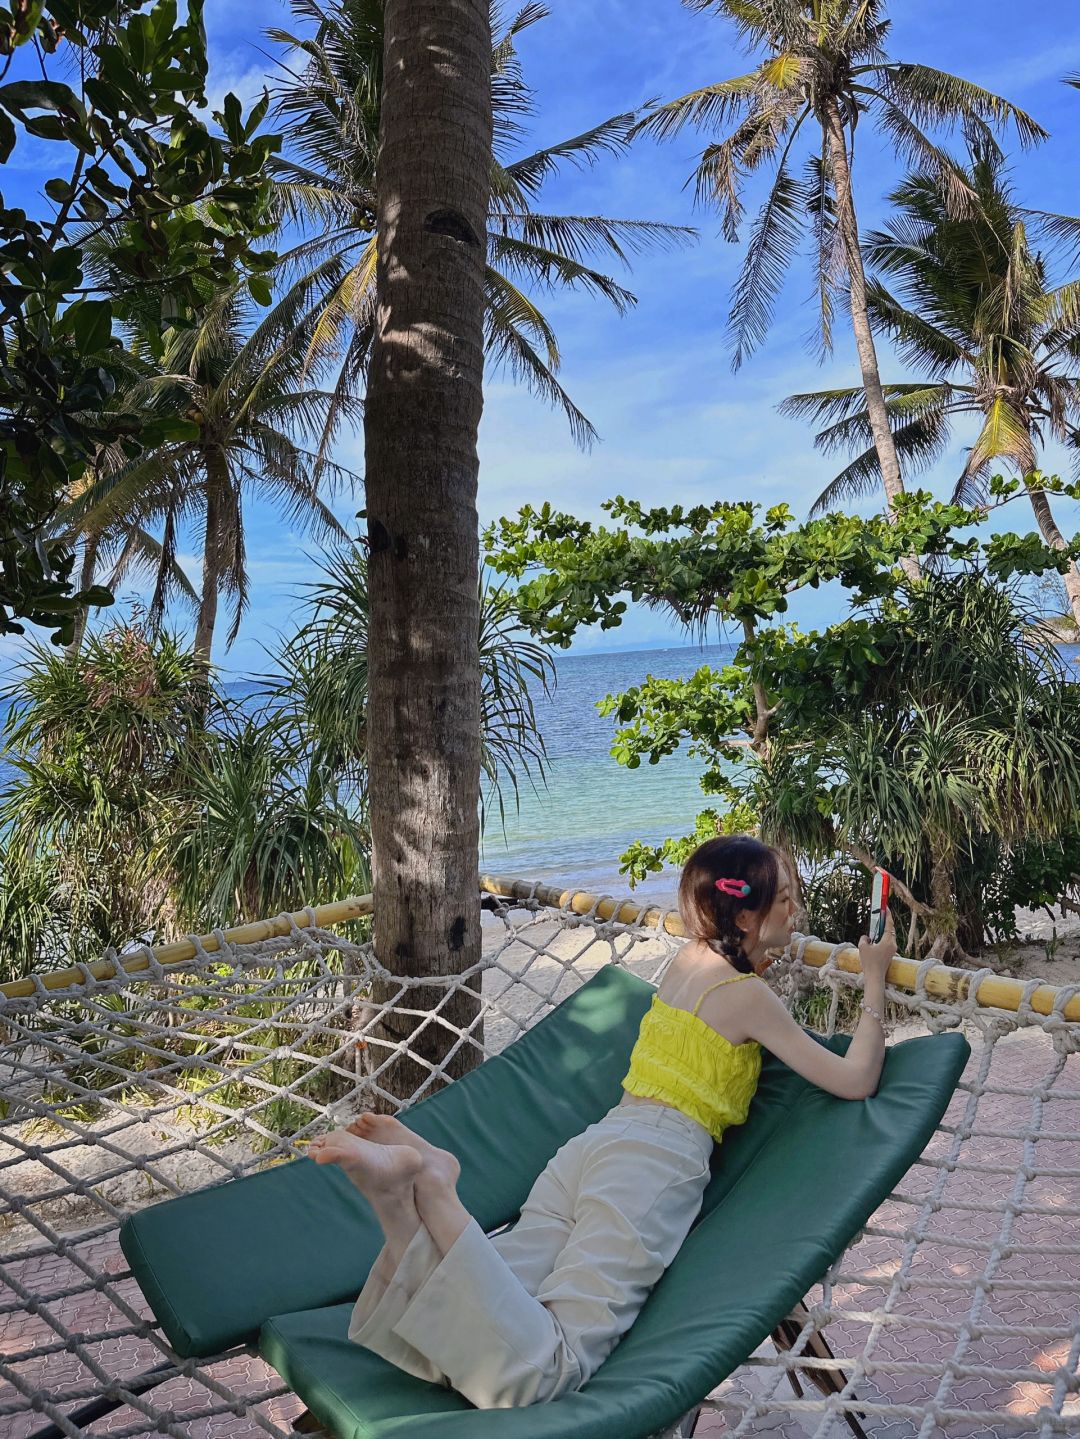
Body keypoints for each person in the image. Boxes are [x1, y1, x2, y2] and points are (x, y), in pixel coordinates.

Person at [309, 834, 897, 1410]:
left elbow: (718, 1010)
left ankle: (401, 1207)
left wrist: (760, 952)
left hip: (596, 1144)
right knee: (551, 1366)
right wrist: (875, 976)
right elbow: (854, 1079)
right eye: (786, 898)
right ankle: (434, 1189)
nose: (797, 911)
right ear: (743, 916)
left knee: (488, 1299)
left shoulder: (686, 962)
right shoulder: (747, 997)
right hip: (654, 1165)